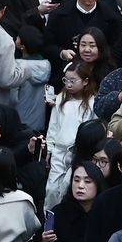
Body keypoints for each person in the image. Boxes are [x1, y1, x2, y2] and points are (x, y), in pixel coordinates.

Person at [44, 63, 98, 206]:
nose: (68, 84)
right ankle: (50, 217)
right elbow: (53, 126)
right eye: (66, 80)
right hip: (59, 151)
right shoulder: (61, 98)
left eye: (73, 81)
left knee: (68, 187)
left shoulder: (93, 102)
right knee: (51, 189)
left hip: (79, 152)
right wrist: (49, 149)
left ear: (85, 81)